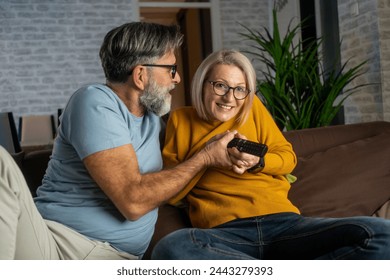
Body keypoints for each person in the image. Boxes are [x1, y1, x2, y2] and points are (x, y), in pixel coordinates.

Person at [0, 22, 238, 260]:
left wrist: (234, 150)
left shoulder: (153, 120)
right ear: (140, 75)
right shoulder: (94, 101)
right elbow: (133, 201)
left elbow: (182, 164)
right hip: (57, 246)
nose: (177, 79)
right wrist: (205, 158)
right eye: (171, 69)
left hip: (113, 259)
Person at [151, 49, 390, 260]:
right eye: (220, 85)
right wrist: (207, 156)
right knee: (172, 247)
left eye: (240, 89)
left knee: (381, 234)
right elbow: (171, 192)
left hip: (284, 225)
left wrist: (258, 161)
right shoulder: (180, 119)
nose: (230, 98)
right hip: (224, 234)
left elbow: (287, 158)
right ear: (203, 83)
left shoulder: (251, 107)